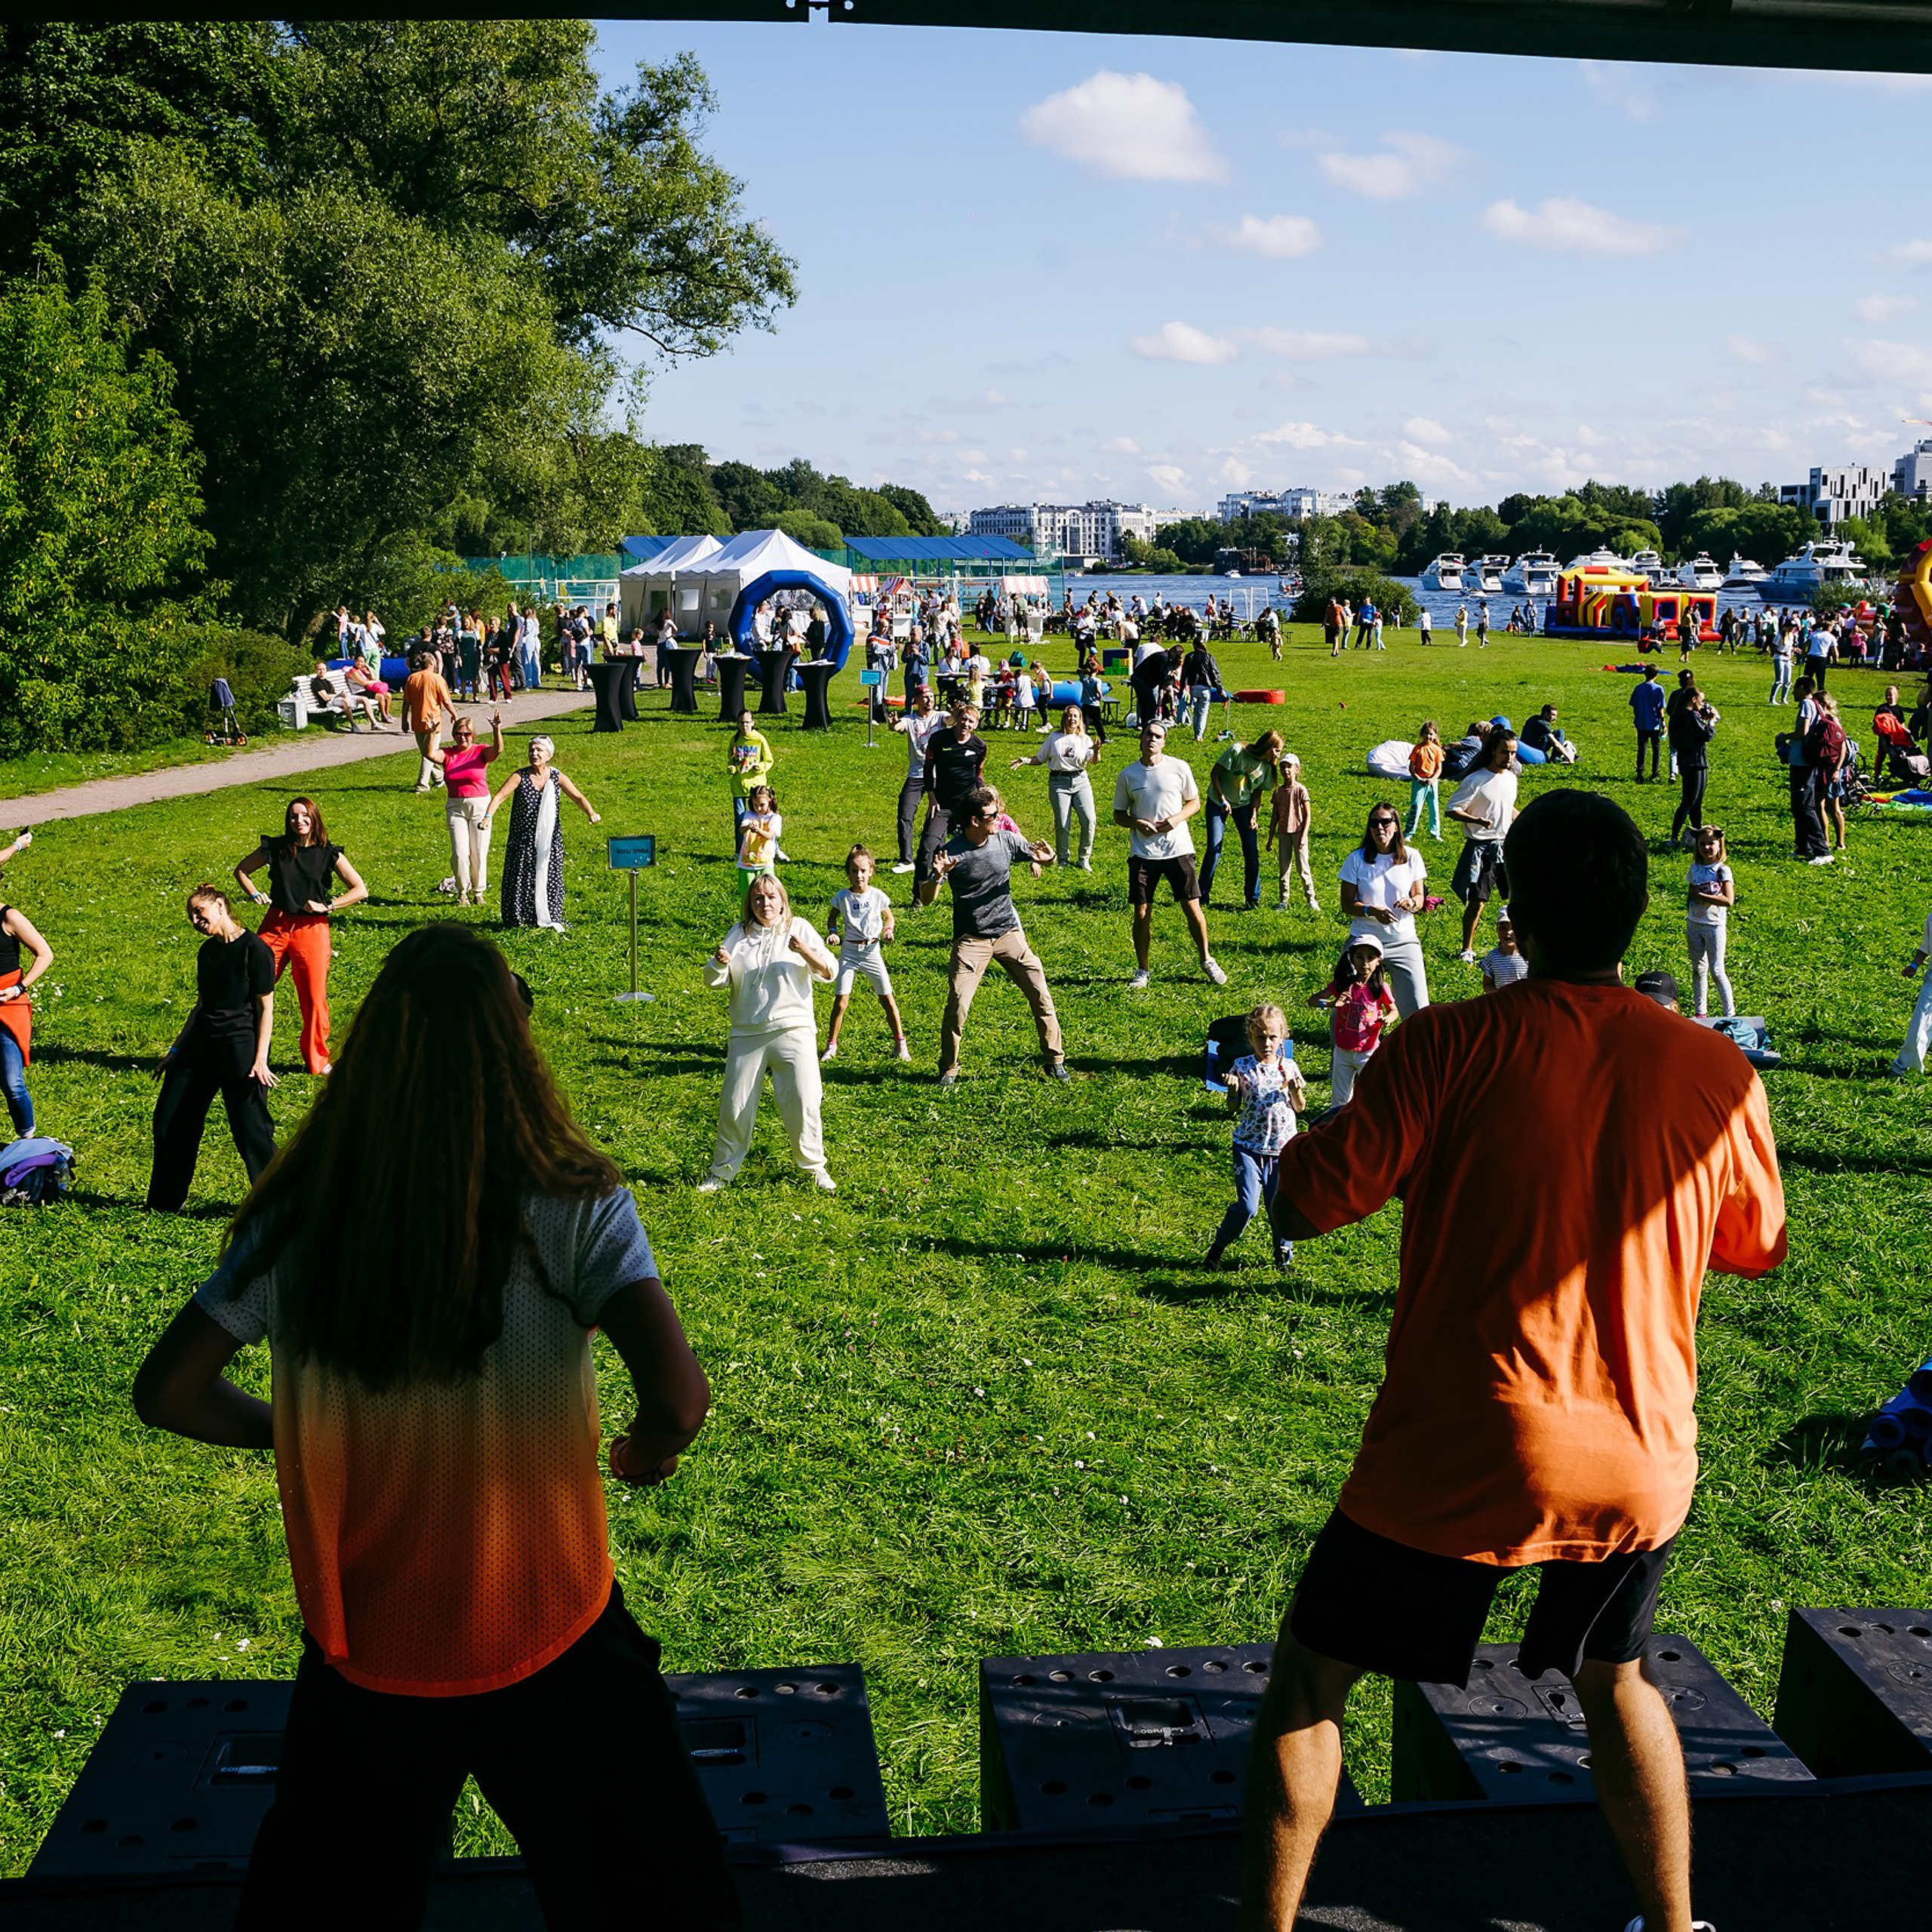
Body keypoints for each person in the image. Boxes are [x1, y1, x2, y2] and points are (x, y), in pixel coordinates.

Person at [1249, 790, 1786, 1932]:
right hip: (1641, 1458)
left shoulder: (1448, 1041)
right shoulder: (1722, 1074)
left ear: (1513, 910)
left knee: (1310, 1681)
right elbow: (1755, 1245)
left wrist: (1294, 1123)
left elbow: (1303, 1203)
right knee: (1618, 1678)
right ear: (1637, 914)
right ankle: (1677, 1927)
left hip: (1466, 1445)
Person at [132, 924, 739, 1930]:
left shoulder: (303, 1213)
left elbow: (171, 1392)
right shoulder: (574, 1200)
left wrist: (298, 1434)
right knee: (657, 1906)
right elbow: (678, 1398)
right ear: (515, 1048)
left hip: (368, 1645)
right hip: (552, 1627)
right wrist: (648, 1452)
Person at [918, 785, 1066, 1087]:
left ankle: (1055, 1060)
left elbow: (1037, 856)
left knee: (1041, 994)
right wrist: (938, 875)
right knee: (958, 1004)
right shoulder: (951, 852)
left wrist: (1048, 859)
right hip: (972, 939)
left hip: (1008, 932)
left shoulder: (1007, 841)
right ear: (974, 821)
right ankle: (949, 1069)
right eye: (992, 815)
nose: (1000, 818)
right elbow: (927, 898)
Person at [700, 874, 835, 1193]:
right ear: (750, 902)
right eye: (759, 899)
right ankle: (722, 1171)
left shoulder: (798, 927)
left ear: (782, 900)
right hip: (748, 1033)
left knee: (805, 1101)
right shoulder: (740, 933)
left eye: (772, 897)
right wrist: (720, 963)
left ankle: (814, 1168)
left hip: (794, 1027)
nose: (766, 904)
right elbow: (711, 980)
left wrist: (804, 951)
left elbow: (830, 970)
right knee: (735, 1106)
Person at [146, 888, 278, 1211]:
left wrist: (261, 1060)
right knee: (169, 1119)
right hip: (200, 1046)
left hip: (240, 1048)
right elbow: (200, 1006)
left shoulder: (255, 950)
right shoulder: (207, 952)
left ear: (220, 906)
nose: (195, 920)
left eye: (199, 912)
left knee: (251, 1131)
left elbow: (266, 1008)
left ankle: (279, 1201)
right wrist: (175, 1052)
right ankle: (164, 1203)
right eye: (191, 915)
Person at [233, 799, 369, 1076]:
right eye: (294, 816)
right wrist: (254, 893)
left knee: (314, 998)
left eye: (305, 815)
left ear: (314, 818)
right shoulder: (276, 848)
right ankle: (242, 1051)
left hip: (313, 929)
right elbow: (242, 870)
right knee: (249, 987)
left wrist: (328, 905)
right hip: (276, 925)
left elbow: (360, 890)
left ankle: (317, 1061)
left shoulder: (329, 853)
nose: (299, 821)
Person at [1113, 719, 1227, 989]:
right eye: (1148, 735)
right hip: (1143, 853)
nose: (1152, 739)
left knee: (1191, 906)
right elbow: (1118, 815)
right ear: (1140, 739)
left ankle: (1206, 959)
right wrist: (1136, 823)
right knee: (1142, 912)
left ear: (1164, 741)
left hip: (1178, 849)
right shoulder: (1128, 775)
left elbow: (1195, 802)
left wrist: (1177, 819)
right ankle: (1143, 970)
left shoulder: (1179, 768)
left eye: (1158, 736)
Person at [1205, 1001, 1305, 1272]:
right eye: (1260, 1037)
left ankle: (1283, 1255)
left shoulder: (1290, 1067)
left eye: (1272, 1037)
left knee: (1279, 1208)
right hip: (1248, 1148)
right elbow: (1232, 1107)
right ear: (1250, 1037)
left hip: (1282, 1151)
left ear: (1282, 1036)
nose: (1267, 1044)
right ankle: (1218, 1249)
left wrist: (1295, 1090)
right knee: (1248, 1207)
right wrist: (1233, 1090)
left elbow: (1300, 1107)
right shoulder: (1243, 1066)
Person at [487, 736, 601, 931]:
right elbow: (499, 797)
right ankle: (518, 917)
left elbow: (578, 796)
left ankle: (550, 914)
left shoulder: (557, 777)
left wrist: (591, 812)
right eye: (532, 750)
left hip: (549, 838)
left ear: (549, 755)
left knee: (548, 874)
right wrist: (487, 816)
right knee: (521, 874)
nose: (534, 753)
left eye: (539, 750)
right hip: (523, 837)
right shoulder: (519, 776)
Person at [1337, 804, 1429, 1017]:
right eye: (1374, 823)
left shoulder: (1412, 856)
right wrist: (1371, 910)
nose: (1380, 827)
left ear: (1396, 826)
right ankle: (1344, 1045)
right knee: (1345, 999)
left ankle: (1415, 1046)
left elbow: (1420, 898)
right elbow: (1347, 904)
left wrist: (1412, 903)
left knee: (1419, 1007)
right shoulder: (1357, 859)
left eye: (1386, 822)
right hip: (1363, 941)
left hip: (1402, 940)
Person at [822, 845, 907, 1064]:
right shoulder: (842, 897)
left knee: (887, 999)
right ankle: (831, 1045)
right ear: (848, 873)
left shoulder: (878, 896)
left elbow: (889, 918)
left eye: (862, 871)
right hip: (849, 952)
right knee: (841, 1002)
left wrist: (889, 930)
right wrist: (833, 933)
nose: (858, 876)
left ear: (871, 871)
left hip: (872, 952)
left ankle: (900, 1043)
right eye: (853, 871)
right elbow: (832, 919)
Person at [1446, 727, 1518, 965]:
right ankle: (1467, 948)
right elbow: (1452, 809)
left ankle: (1519, 945)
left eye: (1513, 753)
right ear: (1492, 752)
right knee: (1478, 901)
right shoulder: (1475, 780)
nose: (1509, 758)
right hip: (1482, 848)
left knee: (1518, 899)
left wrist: (1529, 818)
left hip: (1507, 846)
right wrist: (1476, 820)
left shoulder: (1511, 778)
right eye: (1504, 753)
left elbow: (1508, 809)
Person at [426, 710, 504, 906]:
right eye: (458, 734)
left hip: (480, 806)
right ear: (453, 735)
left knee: (478, 851)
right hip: (456, 807)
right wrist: (432, 733)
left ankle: (479, 892)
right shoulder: (448, 754)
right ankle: (462, 892)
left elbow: (497, 751)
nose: (463, 737)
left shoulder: (480, 751)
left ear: (473, 736)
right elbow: (429, 754)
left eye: (467, 734)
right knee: (460, 852)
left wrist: (497, 729)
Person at [1011, 704, 1101, 872]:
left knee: (1089, 821)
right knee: (1062, 824)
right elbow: (1040, 758)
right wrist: (1025, 760)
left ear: (1080, 720)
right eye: (1069, 716)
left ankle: (1084, 859)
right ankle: (1063, 859)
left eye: (1076, 716)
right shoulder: (1054, 738)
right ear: (1064, 719)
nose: (1072, 719)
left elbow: (1094, 761)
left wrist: (1096, 752)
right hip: (1059, 783)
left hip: (1080, 781)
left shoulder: (1085, 739)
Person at [1201, 731, 1282, 911]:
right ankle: (1201, 896)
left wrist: (1254, 814)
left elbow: (1257, 793)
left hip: (1244, 806)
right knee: (1214, 849)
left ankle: (1252, 899)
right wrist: (1223, 800)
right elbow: (1215, 774)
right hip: (1217, 801)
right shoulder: (1236, 751)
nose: (1278, 755)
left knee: (1251, 852)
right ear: (1267, 746)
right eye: (1276, 750)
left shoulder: (1266, 768)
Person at [1309, 936, 1396, 1106]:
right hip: (1343, 1051)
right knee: (1340, 1099)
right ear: (1351, 959)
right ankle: (1339, 1126)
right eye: (1359, 957)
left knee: (1372, 1094)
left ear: (1379, 961)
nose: (1365, 963)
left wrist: (1387, 1019)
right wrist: (1331, 1004)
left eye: (1370, 958)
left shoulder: (1379, 987)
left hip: (1368, 1051)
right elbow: (1312, 1001)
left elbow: (1393, 1010)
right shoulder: (1342, 985)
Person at [915, 702, 990, 888]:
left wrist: (982, 799)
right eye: (964, 719)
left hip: (967, 806)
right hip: (942, 804)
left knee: (975, 849)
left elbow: (978, 775)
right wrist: (932, 797)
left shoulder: (979, 746)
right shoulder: (939, 739)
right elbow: (928, 769)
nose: (966, 724)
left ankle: (972, 888)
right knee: (927, 846)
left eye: (971, 722)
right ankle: (920, 893)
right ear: (957, 719)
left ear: (975, 725)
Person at [0, 895, 52, 1137]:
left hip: (8, 1005)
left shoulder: (10, 917)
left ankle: (28, 1139)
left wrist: (18, 988)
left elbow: (45, 954)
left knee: (12, 1082)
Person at [1685, 823, 1736, 1019]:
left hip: (1714, 926)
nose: (1707, 848)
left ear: (1719, 845)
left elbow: (1728, 900)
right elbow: (1691, 891)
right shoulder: (1695, 869)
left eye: (1711, 844)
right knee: (1698, 969)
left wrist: (1703, 897)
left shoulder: (1723, 870)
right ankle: (1701, 1012)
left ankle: (1729, 1014)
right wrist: (1695, 896)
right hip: (1694, 923)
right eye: (1702, 844)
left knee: (1717, 970)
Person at [1266, 753, 1318, 915]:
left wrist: (1304, 835)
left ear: (1297, 769)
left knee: (1303, 868)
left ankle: (1311, 898)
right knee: (1284, 868)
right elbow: (1274, 816)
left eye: (1289, 766)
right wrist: (1270, 838)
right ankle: (1284, 899)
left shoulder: (1301, 790)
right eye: (1283, 767)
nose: (1286, 770)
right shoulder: (1278, 792)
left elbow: (1308, 815)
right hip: (1283, 833)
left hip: (1298, 833)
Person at [1666, 687, 1715, 849]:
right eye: (1701, 701)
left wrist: (1703, 718)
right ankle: (1674, 838)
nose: (1702, 705)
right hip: (1696, 762)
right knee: (1690, 802)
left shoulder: (1679, 715)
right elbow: (1706, 735)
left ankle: (1698, 835)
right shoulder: (1690, 715)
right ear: (1694, 699)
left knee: (1695, 803)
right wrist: (1712, 721)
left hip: (1686, 761)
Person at [402, 652, 456, 794]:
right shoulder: (437, 679)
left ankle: (438, 778)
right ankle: (422, 785)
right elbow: (446, 701)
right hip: (434, 722)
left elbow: (406, 702)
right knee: (429, 753)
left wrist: (404, 720)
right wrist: (454, 714)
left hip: (417, 721)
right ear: (432, 663)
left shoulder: (412, 678)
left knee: (426, 753)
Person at [725, 709, 775, 858]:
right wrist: (731, 768)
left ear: (753, 723)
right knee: (741, 821)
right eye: (742, 722)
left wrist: (761, 767)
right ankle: (740, 851)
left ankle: (768, 849)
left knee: (762, 820)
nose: (745, 725)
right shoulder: (734, 740)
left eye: (747, 722)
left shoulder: (759, 739)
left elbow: (769, 760)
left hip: (756, 788)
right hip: (739, 787)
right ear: (737, 724)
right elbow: (731, 760)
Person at [1889, 907, 1932, 1078]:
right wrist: (1914, 965)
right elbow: (1925, 947)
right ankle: (1903, 1067)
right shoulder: (1931, 918)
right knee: (1918, 1023)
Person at [1814, 692, 1850, 855]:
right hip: (1820, 767)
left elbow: (1843, 747)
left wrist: (1837, 769)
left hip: (1832, 768)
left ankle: (1840, 842)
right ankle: (1825, 840)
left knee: (1834, 806)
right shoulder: (1819, 720)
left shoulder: (1833, 721)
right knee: (1819, 804)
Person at [734, 785, 782, 894]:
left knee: (767, 892)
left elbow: (770, 835)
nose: (758, 808)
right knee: (747, 895)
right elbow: (741, 830)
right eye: (755, 805)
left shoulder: (775, 818)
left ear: (770, 801)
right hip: (747, 863)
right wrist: (748, 827)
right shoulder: (749, 815)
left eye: (762, 805)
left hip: (765, 863)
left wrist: (758, 830)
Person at [1403, 721, 1444, 841]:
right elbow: (1412, 767)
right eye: (1426, 733)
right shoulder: (1418, 749)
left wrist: (1433, 779)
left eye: (1431, 734)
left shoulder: (1437, 750)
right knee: (1415, 807)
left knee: (1434, 808)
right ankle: (1409, 832)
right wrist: (1418, 778)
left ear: (1435, 735)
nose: (1428, 736)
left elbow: (1439, 768)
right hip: (1419, 782)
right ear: (1422, 734)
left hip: (1432, 782)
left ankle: (1435, 833)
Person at [1479, 908, 1528, 992]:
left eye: (1512, 928)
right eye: (1503, 928)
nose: (1508, 932)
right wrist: (1498, 997)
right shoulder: (1492, 957)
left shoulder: (1528, 956)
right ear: (1497, 930)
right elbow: (1487, 984)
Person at [1629, 666, 1665, 781]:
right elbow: (1660, 708)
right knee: (1656, 748)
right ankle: (1655, 772)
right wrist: (1663, 723)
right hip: (1654, 723)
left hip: (1642, 722)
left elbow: (1634, 705)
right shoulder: (1658, 689)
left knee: (1642, 748)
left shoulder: (1638, 688)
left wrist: (1637, 718)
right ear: (1656, 675)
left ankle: (1640, 772)